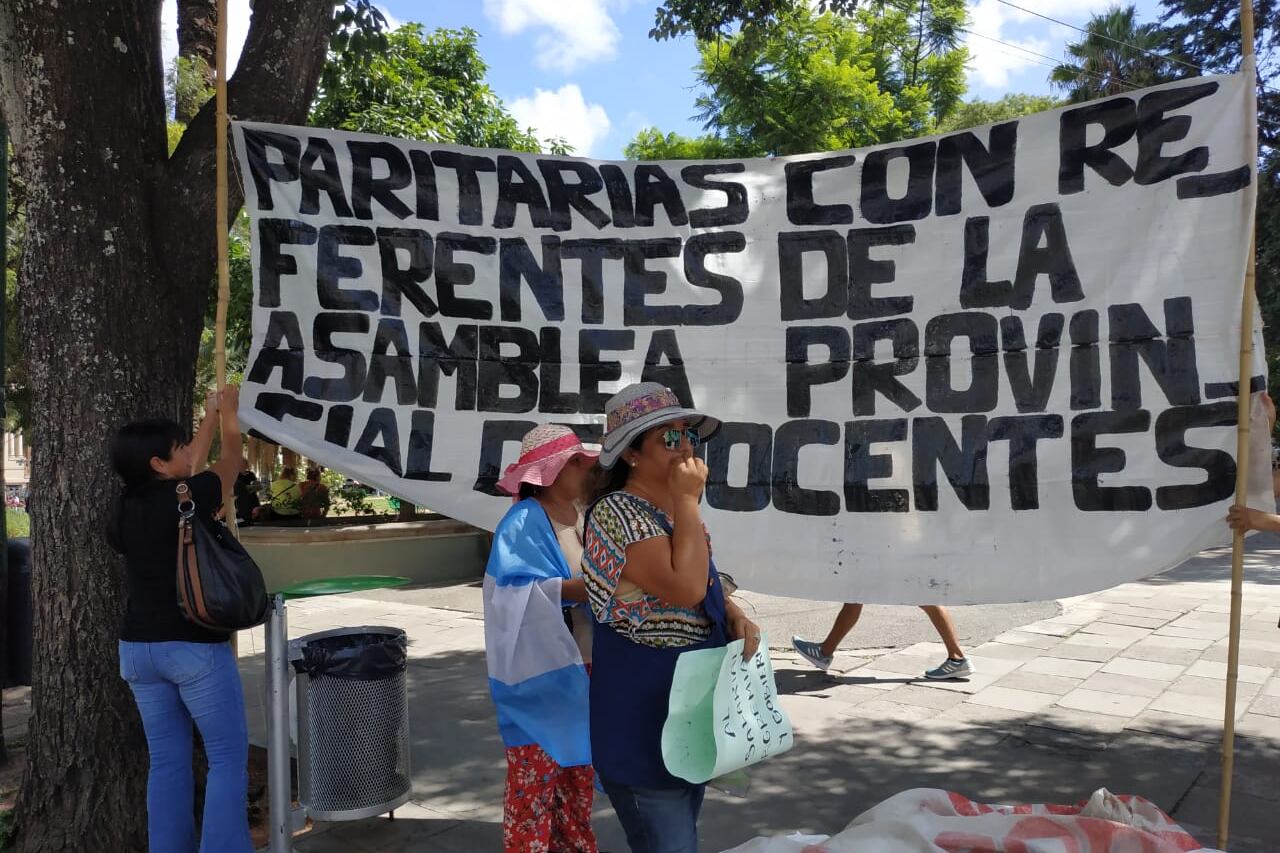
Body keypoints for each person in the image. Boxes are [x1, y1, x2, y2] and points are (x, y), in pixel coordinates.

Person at [583, 382, 761, 853]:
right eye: (667, 437)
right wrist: (688, 500)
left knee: (679, 831)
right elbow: (683, 589)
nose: (683, 447)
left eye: (687, 435)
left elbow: (698, 581)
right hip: (643, 720)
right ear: (631, 455)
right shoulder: (616, 512)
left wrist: (733, 611)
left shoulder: (670, 513)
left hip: (683, 713)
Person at [106, 387, 253, 853]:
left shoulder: (121, 510)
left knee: (166, 762)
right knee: (227, 759)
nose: (190, 451)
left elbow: (189, 472)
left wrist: (207, 420)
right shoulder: (190, 495)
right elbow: (230, 462)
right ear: (157, 464)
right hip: (192, 647)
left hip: (138, 651)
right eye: (179, 448)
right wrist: (230, 417)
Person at [485, 424, 601, 853]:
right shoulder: (522, 522)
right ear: (549, 471)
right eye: (575, 462)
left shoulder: (585, 514)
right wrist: (577, 589)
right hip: (539, 676)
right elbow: (508, 598)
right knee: (533, 784)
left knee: (576, 779)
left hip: (586, 668)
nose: (585, 469)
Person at [792, 605, 973, 679]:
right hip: (899, 548)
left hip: (890, 550)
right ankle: (825, 651)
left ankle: (824, 652)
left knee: (856, 594)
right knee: (856, 596)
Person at [233, 462, 262, 526]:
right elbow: (237, 489)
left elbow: (258, 486)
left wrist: (247, 488)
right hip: (241, 500)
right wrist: (248, 488)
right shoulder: (235, 475)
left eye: (245, 465)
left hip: (252, 499)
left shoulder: (250, 474)